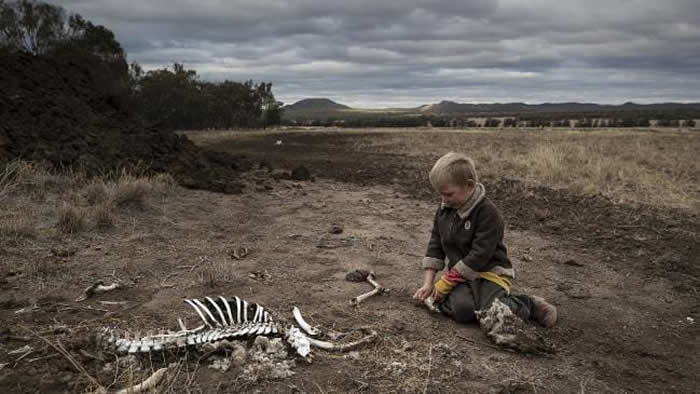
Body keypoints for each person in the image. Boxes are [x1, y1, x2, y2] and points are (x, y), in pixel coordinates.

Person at [412, 152, 557, 327]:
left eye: (449, 194)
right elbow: (435, 244)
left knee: (491, 311)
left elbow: (479, 256)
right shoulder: (445, 210)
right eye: (441, 194)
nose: (444, 200)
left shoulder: (488, 214)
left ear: (469, 185)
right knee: (462, 311)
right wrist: (428, 284)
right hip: (461, 276)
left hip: (490, 273)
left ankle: (530, 304)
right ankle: (472, 305)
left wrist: (444, 283)